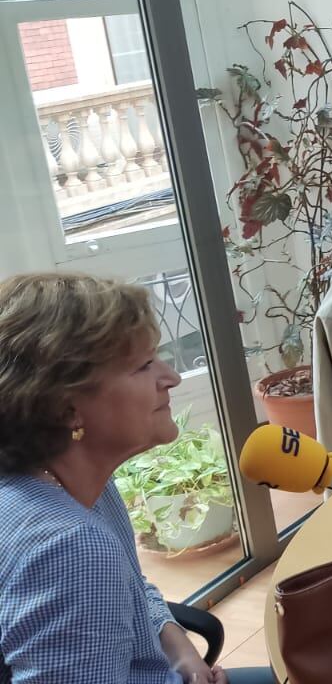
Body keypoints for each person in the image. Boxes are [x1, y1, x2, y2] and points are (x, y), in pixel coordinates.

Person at [0, 273, 276, 684]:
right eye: (144, 365)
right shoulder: (68, 545)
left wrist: (173, 639)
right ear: (65, 407)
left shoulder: (77, 483)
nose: (172, 377)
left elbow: (131, 585)